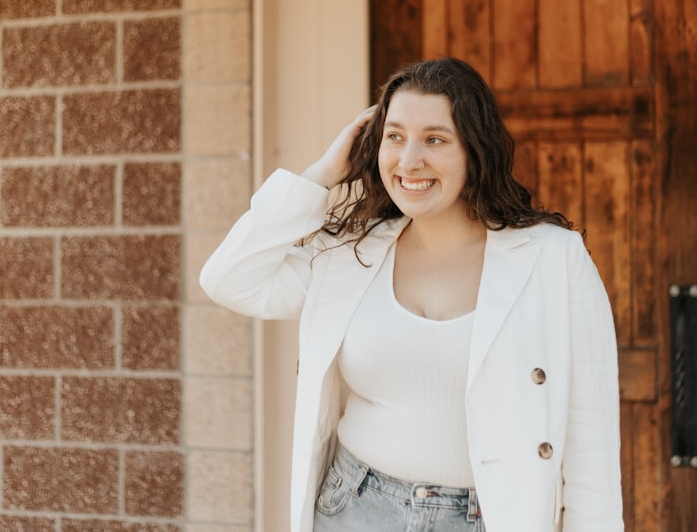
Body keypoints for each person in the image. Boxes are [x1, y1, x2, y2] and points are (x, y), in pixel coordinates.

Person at [200, 57, 623, 532]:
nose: (409, 160)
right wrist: (320, 174)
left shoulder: (553, 260)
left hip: (492, 518)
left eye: (435, 139)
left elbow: (592, 448)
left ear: (475, 151)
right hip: (354, 508)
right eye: (394, 136)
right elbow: (229, 278)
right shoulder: (348, 254)